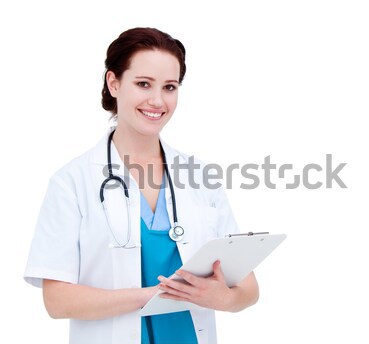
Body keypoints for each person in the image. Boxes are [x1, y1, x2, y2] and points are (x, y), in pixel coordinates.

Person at [24, 27, 259, 344]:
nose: (158, 100)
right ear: (114, 83)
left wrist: (224, 299)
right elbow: (57, 301)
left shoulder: (201, 176)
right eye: (143, 84)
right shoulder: (72, 182)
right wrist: (153, 295)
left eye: (170, 87)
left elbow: (247, 287)